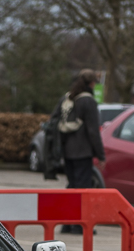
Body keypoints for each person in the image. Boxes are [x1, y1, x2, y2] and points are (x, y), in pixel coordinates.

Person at [53, 69, 106, 233]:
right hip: (82, 152)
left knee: (71, 186)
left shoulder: (68, 98)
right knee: (83, 189)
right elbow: (93, 130)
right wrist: (101, 154)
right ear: (91, 84)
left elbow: (54, 120)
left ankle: (67, 223)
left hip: (67, 151)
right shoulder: (88, 101)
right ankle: (79, 224)